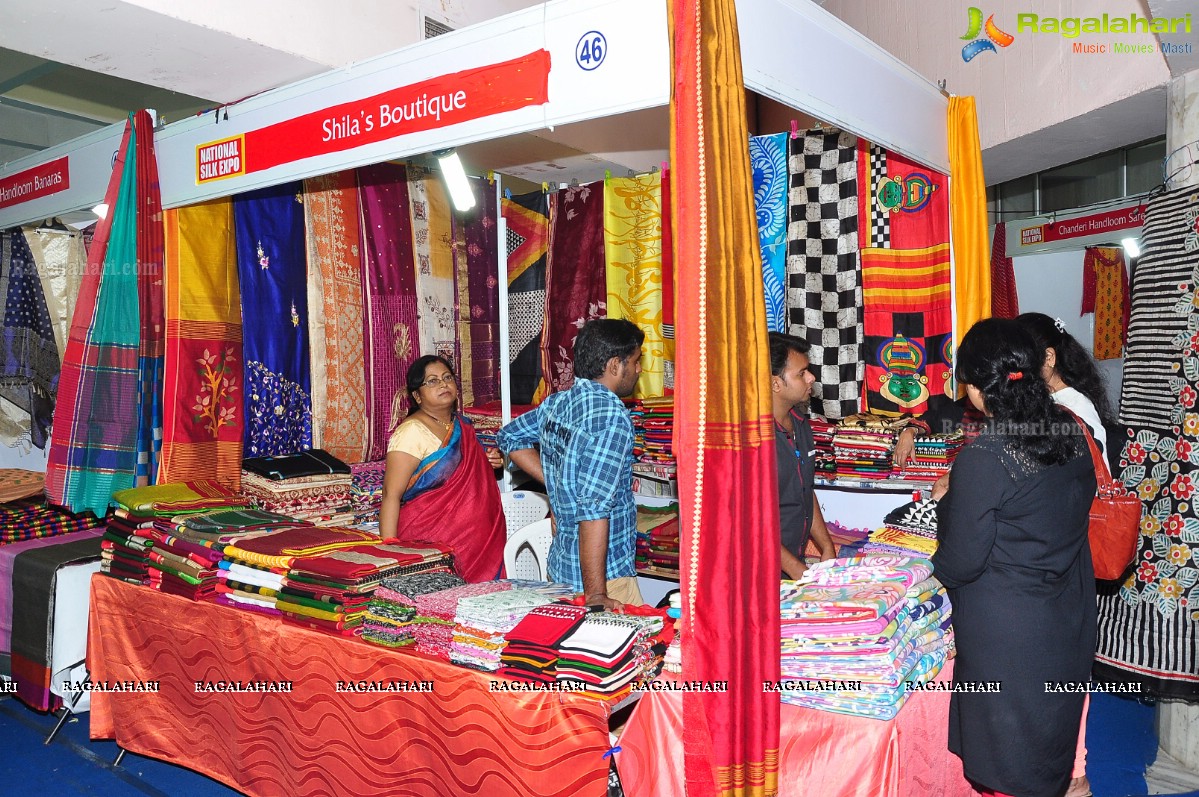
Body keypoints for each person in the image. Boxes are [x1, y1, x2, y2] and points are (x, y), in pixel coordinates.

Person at [931, 318, 1097, 797]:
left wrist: (946, 507)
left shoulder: (987, 456)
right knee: (1046, 736)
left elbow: (960, 562)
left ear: (981, 388)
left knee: (1008, 755)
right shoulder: (1067, 428)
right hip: (1065, 608)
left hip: (1010, 631)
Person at [498, 319, 645, 609]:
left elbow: (509, 437)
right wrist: (596, 596)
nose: (639, 369)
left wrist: (557, 482)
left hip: (561, 572)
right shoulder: (611, 418)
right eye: (636, 361)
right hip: (605, 579)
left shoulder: (558, 403)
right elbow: (593, 512)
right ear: (615, 365)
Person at [379, 355, 505, 582]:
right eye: (432, 381)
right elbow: (391, 494)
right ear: (417, 395)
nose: (443, 384)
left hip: (479, 547)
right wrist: (391, 550)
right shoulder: (411, 432)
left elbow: (467, 474)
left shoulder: (462, 426)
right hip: (429, 547)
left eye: (447, 378)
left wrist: (489, 463)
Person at [769, 333, 837, 578]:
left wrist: (827, 547)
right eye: (801, 373)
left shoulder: (800, 424)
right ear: (775, 383)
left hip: (793, 566)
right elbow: (751, 525)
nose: (811, 378)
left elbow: (805, 490)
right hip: (762, 572)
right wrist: (801, 574)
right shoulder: (755, 439)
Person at [1017, 311, 1113, 458]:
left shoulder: (1076, 406)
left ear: (1049, 358)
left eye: (1020, 360)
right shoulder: (1038, 396)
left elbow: (1095, 466)